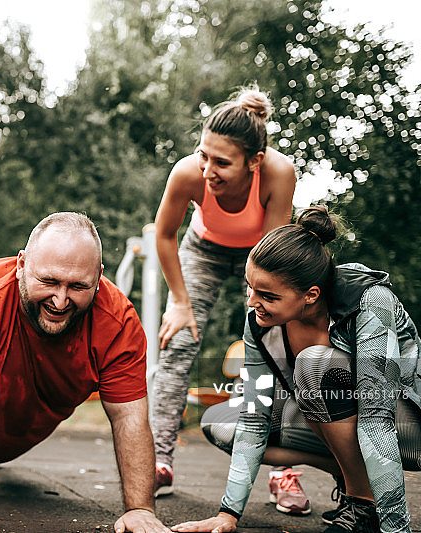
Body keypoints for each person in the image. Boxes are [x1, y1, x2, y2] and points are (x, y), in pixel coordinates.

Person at [0, 212, 171, 533]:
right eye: (49, 282)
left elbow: (130, 419)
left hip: (17, 432)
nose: (60, 300)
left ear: (98, 276)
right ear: (21, 264)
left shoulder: (118, 324)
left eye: (78, 286)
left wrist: (140, 510)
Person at [172, 206, 421, 533]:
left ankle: (365, 507)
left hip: (405, 425)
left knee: (314, 364)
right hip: (350, 425)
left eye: (267, 295)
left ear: (310, 295)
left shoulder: (369, 301)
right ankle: (353, 476)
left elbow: (377, 418)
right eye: (250, 287)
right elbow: (255, 418)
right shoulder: (260, 323)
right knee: (222, 422)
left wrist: (396, 528)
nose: (251, 302)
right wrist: (227, 515)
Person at [150, 83, 297, 503]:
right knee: (179, 341)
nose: (207, 170)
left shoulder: (278, 173)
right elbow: (164, 235)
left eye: (221, 162)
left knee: (277, 344)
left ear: (255, 161)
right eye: (203, 155)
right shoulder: (187, 173)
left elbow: (270, 257)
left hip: (261, 254)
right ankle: (157, 461)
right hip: (203, 251)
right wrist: (180, 303)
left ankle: (284, 469)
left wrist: (268, 318)